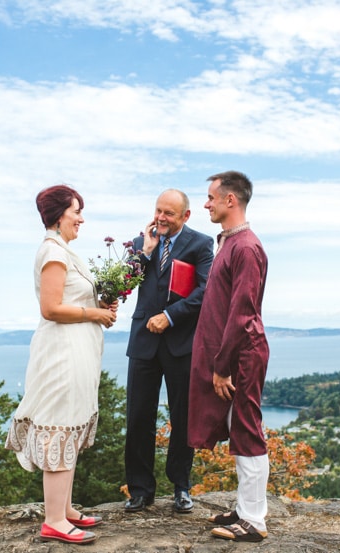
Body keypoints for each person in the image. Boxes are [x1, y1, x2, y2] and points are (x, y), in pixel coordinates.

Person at [5, 184, 118, 545]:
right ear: (59, 215)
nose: (81, 218)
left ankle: (65, 508)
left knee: (70, 422)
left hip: (76, 351)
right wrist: (94, 312)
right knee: (60, 426)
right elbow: (51, 308)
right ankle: (54, 519)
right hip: (62, 354)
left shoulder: (64, 251)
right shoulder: (54, 252)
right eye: (76, 211)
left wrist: (101, 306)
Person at [188, 171, 271, 542]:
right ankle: (244, 508)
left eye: (210, 197)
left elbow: (242, 312)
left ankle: (254, 521)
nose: (206, 203)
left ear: (230, 200)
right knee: (240, 428)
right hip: (236, 353)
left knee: (247, 429)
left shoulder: (246, 248)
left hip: (242, 356)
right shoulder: (231, 243)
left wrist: (222, 367)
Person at [124, 189, 214, 514]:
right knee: (137, 417)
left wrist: (171, 316)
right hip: (143, 343)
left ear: (185, 216)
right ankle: (140, 490)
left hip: (182, 344)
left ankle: (181, 487)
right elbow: (122, 283)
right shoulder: (139, 243)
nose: (161, 218)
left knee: (183, 419)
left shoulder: (202, 244)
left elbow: (207, 290)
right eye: (158, 211)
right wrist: (145, 252)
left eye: (169, 214)